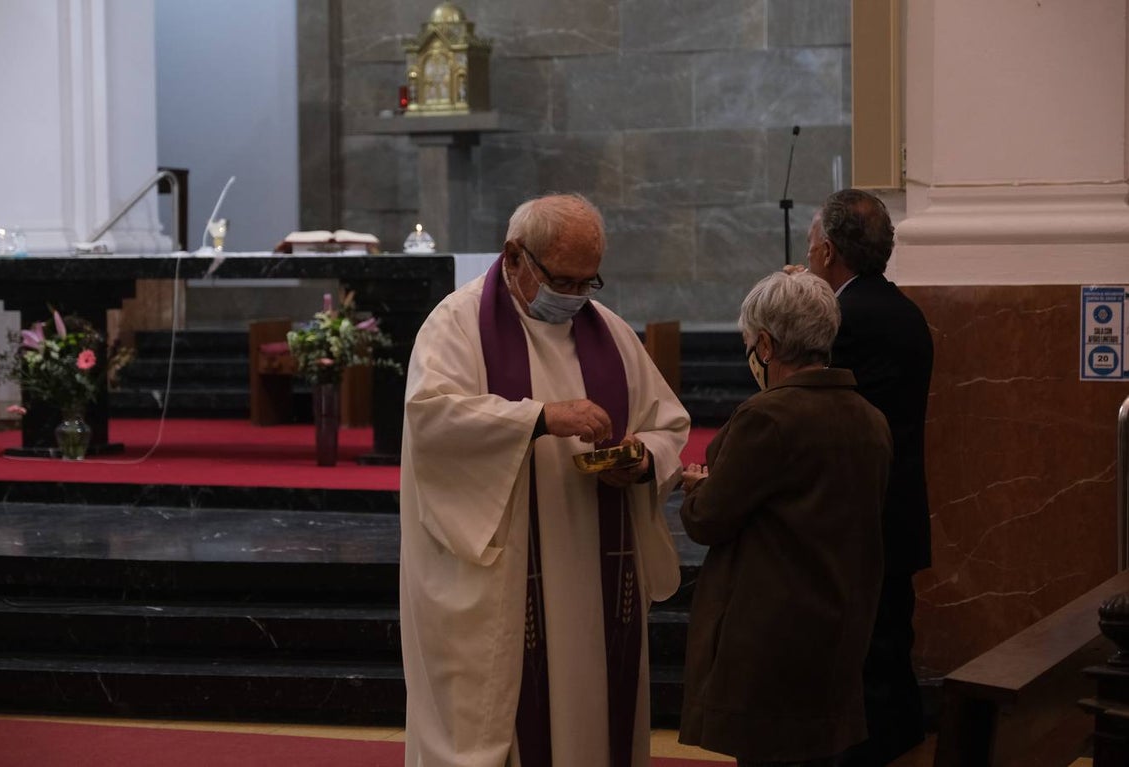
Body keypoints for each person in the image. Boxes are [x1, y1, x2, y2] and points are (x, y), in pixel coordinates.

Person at [399, 193, 691, 767]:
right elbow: (432, 418)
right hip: (505, 576)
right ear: (514, 256)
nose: (576, 296)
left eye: (588, 282)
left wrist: (641, 459)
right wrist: (538, 418)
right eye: (563, 280)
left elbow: (668, 425)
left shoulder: (609, 333)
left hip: (593, 572)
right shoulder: (456, 324)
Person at [677, 270, 892, 767]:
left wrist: (697, 489)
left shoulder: (767, 417)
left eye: (751, 343)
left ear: (766, 345)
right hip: (840, 623)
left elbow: (707, 520)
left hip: (771, 634)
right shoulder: (870, 417)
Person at [805, 189, 934, 766]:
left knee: (865, 659)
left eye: (812, 245)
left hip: (855, 519)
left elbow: (798, 398)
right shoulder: (904, 310)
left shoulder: (841, 319)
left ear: (829, 252)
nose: (808, 254)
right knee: (891, 648)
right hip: (898, 509)